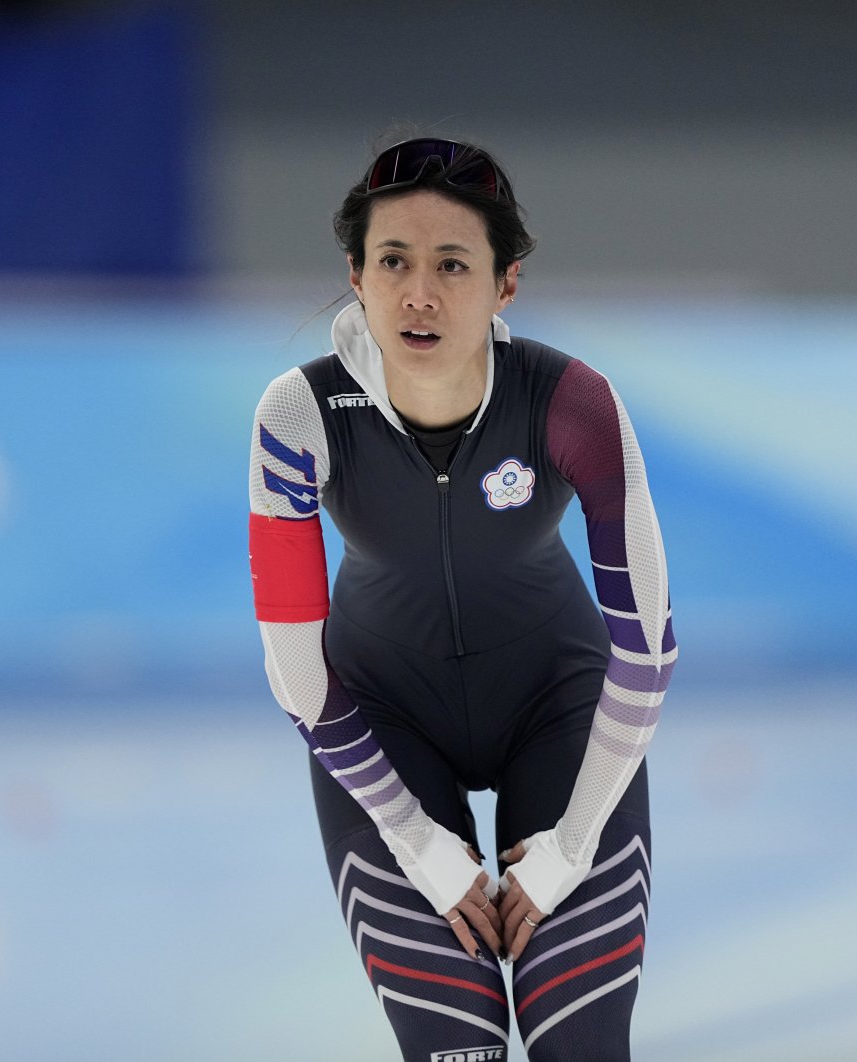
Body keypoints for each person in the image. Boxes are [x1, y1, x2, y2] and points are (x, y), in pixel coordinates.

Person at [246, 136, 676, 1061]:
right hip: (382, 726)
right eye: (393, 261)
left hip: (558, 713)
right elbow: (296, 671)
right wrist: (417, 841)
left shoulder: (571, 403)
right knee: (457, 1050)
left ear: (505, 283)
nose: (419, 294)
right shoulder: (297, 414)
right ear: (355, 275)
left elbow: (645, 652)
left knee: (580, 1044)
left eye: (452, 264)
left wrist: (571, 845)